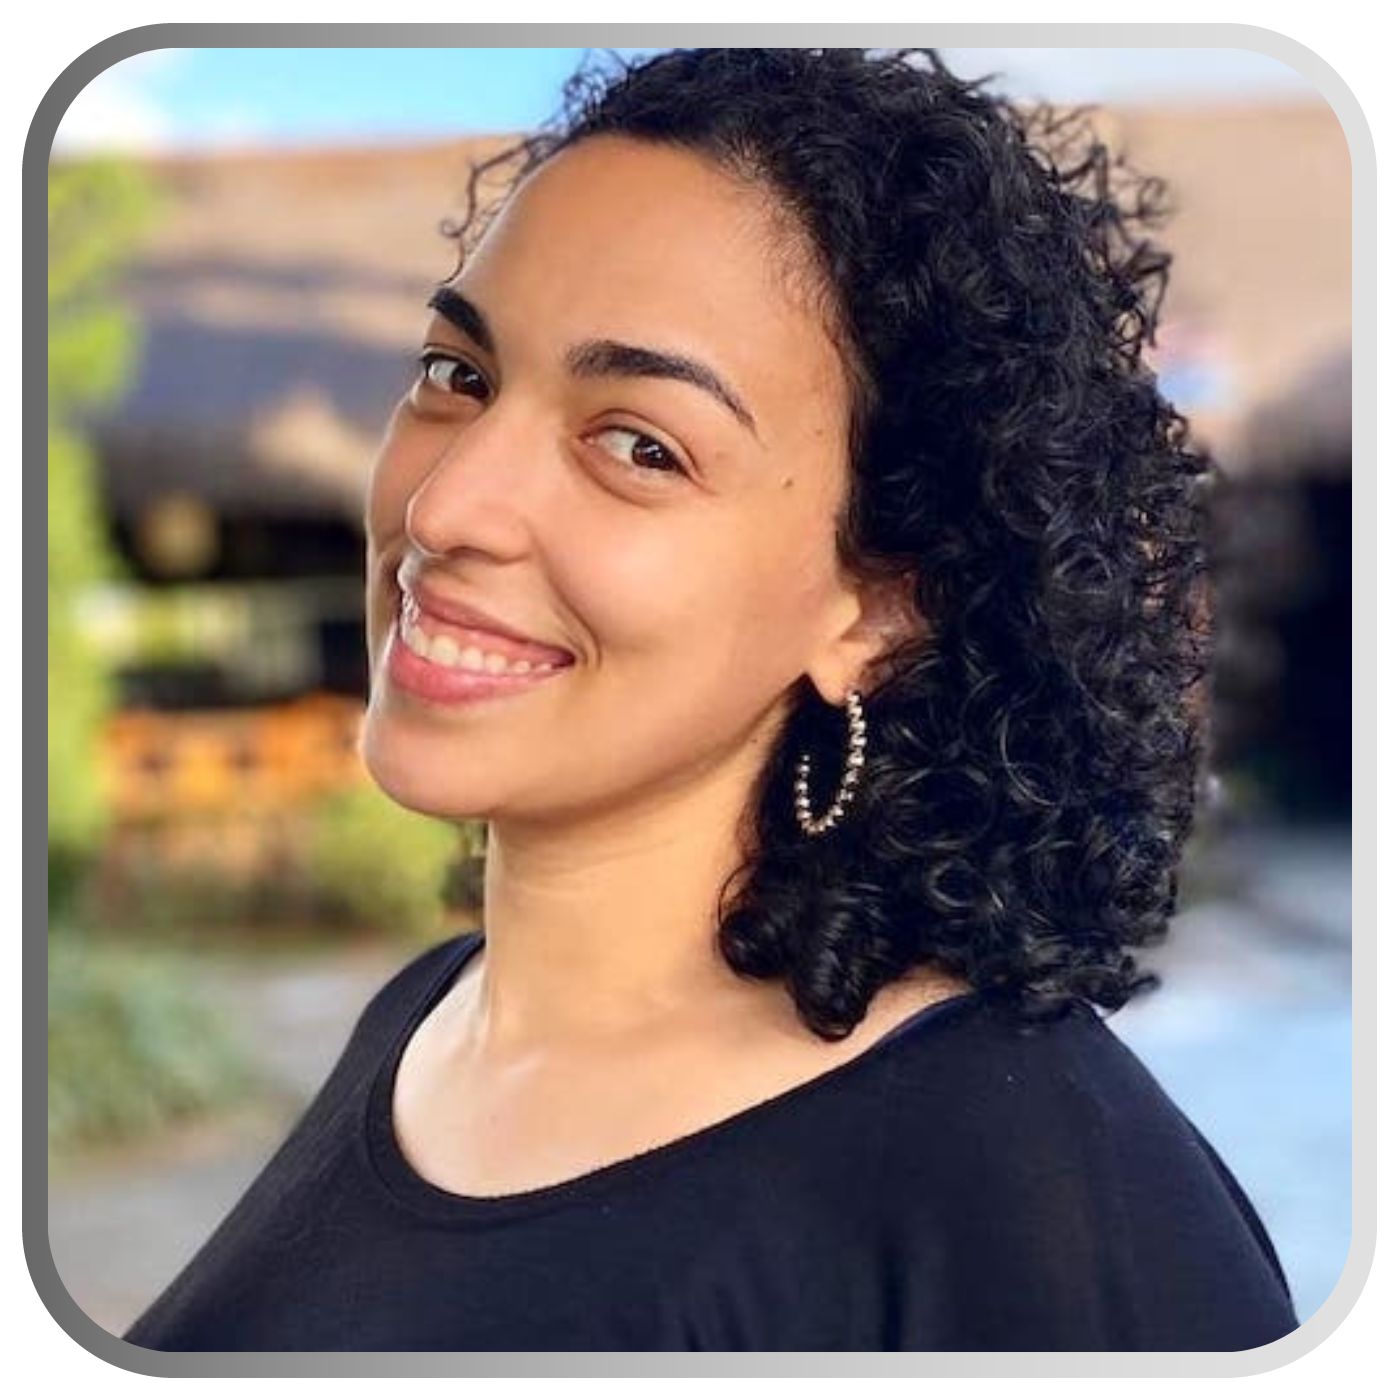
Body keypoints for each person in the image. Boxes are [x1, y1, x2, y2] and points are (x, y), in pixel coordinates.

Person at [123, 48, 1299, 1353]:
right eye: (459, 376)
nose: (446, 507)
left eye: (641, 445)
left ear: (877, 608)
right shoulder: (420, 1025)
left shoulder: (1033, 1185)